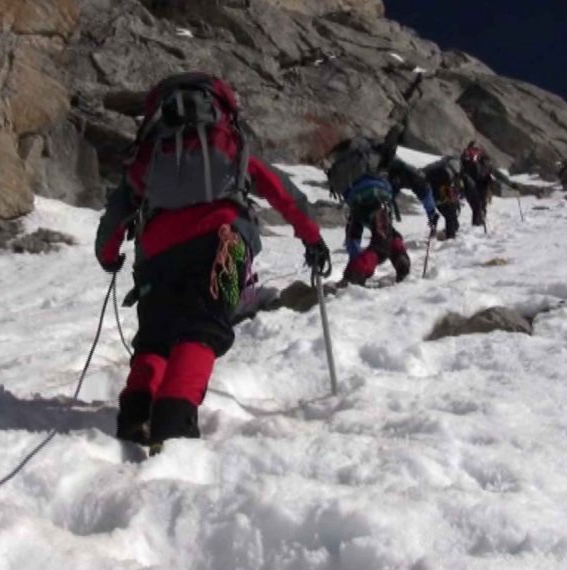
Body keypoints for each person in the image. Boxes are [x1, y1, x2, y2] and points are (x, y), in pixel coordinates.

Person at [95, 73, 329, 454]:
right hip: (224, 241)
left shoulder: (151, 154)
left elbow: (117, 212)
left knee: (156, 337)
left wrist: (109, 256)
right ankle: (174, 422)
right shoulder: (231, 146)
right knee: (204, 325)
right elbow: (283, 193)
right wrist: (313, 238)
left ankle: (135, 413)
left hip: (157, 256)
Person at [327, 136, 438, 286]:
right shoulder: (392, 165)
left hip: (354, 201)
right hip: (376, 197)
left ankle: (401, 265)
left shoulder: (354, 165)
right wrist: (431, 212)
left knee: (388, 234)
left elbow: (353, 235)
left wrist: (355, 256)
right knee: (381, 246)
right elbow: (420, 183)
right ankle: (352, 277)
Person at [460, 141, 518, 229]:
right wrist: (511, 184)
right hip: (482, 187)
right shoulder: (486, 163)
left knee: (477, 209)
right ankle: (478, 229)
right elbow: (498, 174)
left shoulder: (465, 161)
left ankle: (477, 229)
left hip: (469, 189)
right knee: (480, 208)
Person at [422, 156, 467, 240]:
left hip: (431, 193)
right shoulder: (448, 172)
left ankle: (444, 233)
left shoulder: (444, 167)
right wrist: (452, 198)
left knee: (450, 215)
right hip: (439, 194)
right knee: (450, 214)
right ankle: (450, 237)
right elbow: (448, 189)